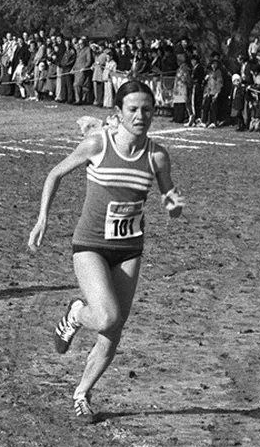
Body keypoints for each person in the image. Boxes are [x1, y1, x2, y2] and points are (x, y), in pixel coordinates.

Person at [27, 80, 184, 423]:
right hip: (91, 246)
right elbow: (54, 174)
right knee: (107, 315)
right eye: (133, 109)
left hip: (129, 249)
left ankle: (81, 393)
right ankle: (75, 314)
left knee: (113, 330)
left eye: (147, 109)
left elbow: (168, 194)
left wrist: (173, 204)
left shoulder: (157, 155)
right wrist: (43, 219)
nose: (141, 115)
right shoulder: (98, 144)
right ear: (118, 113)